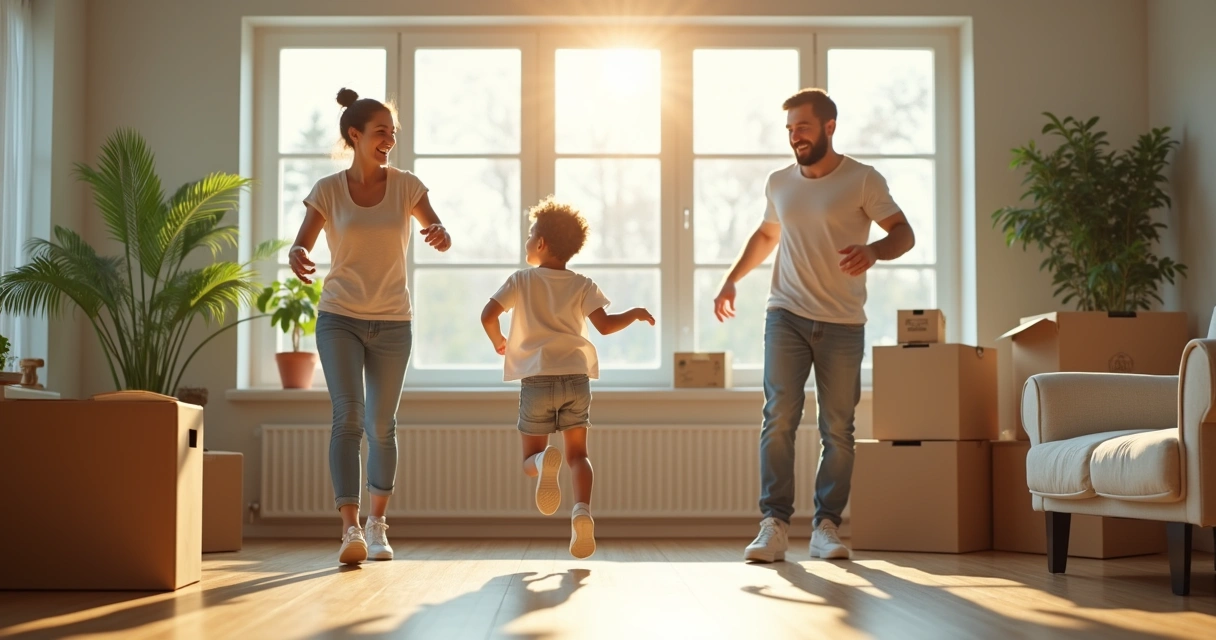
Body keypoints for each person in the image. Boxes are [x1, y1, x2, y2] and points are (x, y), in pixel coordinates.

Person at [714, 88, 915, 563]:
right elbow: (768, 234)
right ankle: (775, 524)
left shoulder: (863, 179)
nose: (794, 137)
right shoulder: (779, 182)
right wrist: (731, 279)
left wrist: (874, 252)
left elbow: (902, 234)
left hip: (842, 322)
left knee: (838, 429)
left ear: (829, 127)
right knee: (779, 416)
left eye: (802, 127)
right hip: (785, 313)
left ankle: (827, 525)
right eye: (788, 129)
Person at [289, 88, 452, 565]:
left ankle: (378, 525)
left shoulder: (406, 186)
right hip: (339, 317)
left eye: (393, 132)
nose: (390, 139)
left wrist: (440, 235)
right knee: (349, 418)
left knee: (382, 425)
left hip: (393, 321)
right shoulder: (327, 190)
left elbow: (435, 229)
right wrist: (298, 255)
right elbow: (301, 246)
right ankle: (350, 530)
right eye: (382, 131)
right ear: (355, 136)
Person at [480, 197, 655, 559]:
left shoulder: (521, 281)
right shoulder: (582, 284)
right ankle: (582, 512)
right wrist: (634, 313)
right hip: (576, 378)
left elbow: (487, 315)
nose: (527, 241)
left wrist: (499, 340)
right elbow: (605, 327)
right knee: (578, 455)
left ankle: (545, 463)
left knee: (531, 458)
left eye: (531, 235)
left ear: (541, 243)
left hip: (537, 379)